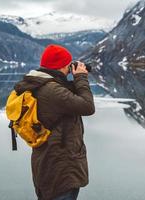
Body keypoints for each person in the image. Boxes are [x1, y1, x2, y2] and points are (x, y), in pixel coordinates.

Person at [13, 44, 95, 200]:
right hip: (61, 167)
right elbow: (87, 106)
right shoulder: (52, 90)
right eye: (68, 64)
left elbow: (66, 96)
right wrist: (81, 77)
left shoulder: (40, 84)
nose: (70, 68)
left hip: (47, 162)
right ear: (61, 66)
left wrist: (74, 79)